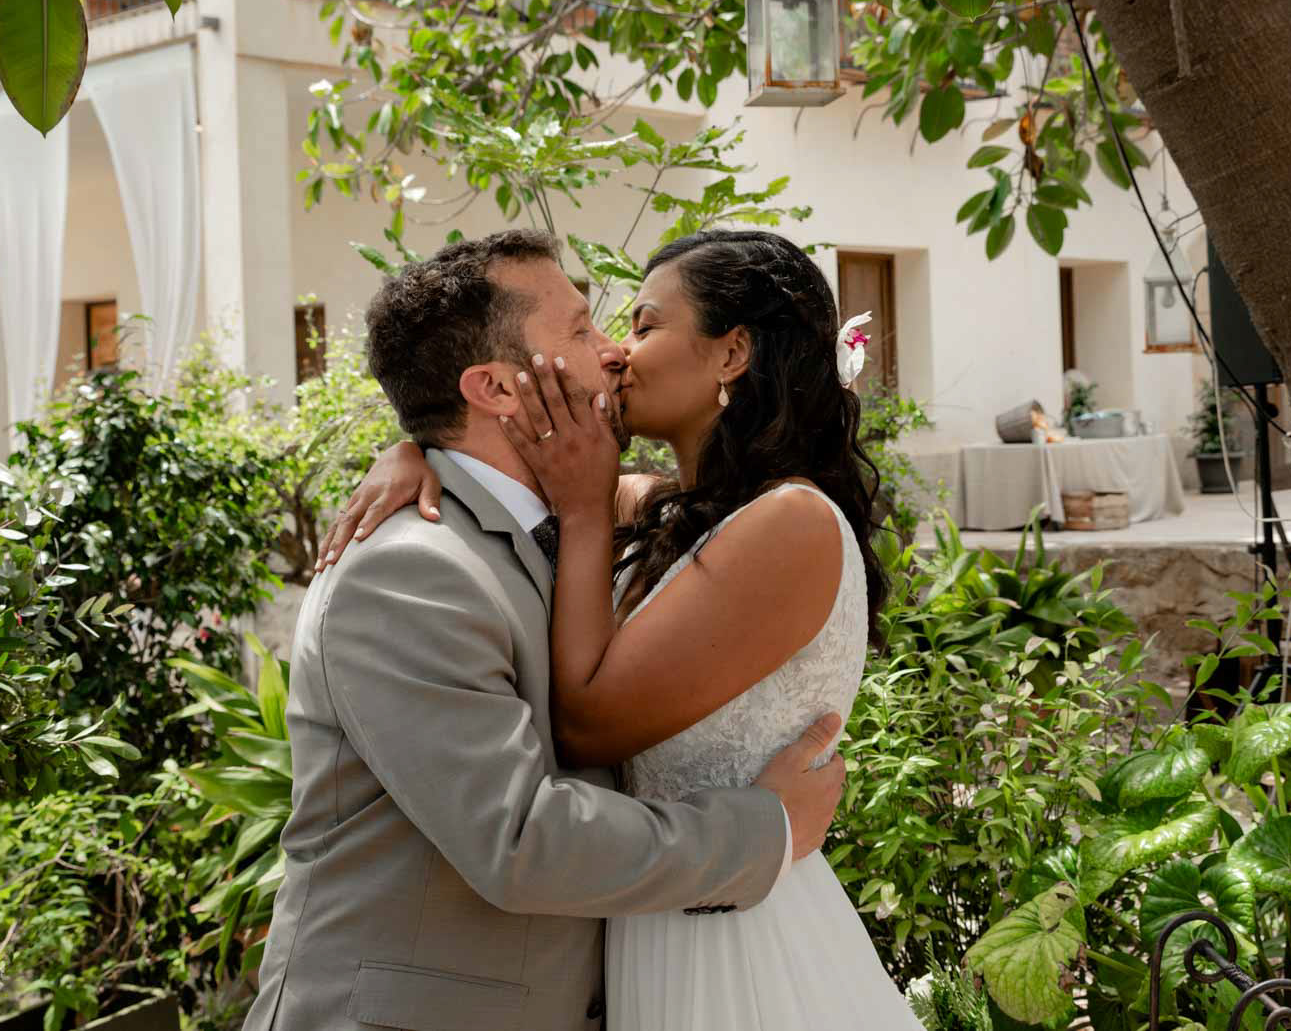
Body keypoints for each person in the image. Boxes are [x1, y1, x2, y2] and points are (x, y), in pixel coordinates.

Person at [243, 228, 846, 1031]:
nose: (613, 354)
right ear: (495, 388)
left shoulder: (593, 519)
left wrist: (423, 446)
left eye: (629, 326)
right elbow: (523, 840)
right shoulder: (411, 572)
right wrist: (764, 830)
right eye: (582, 330)